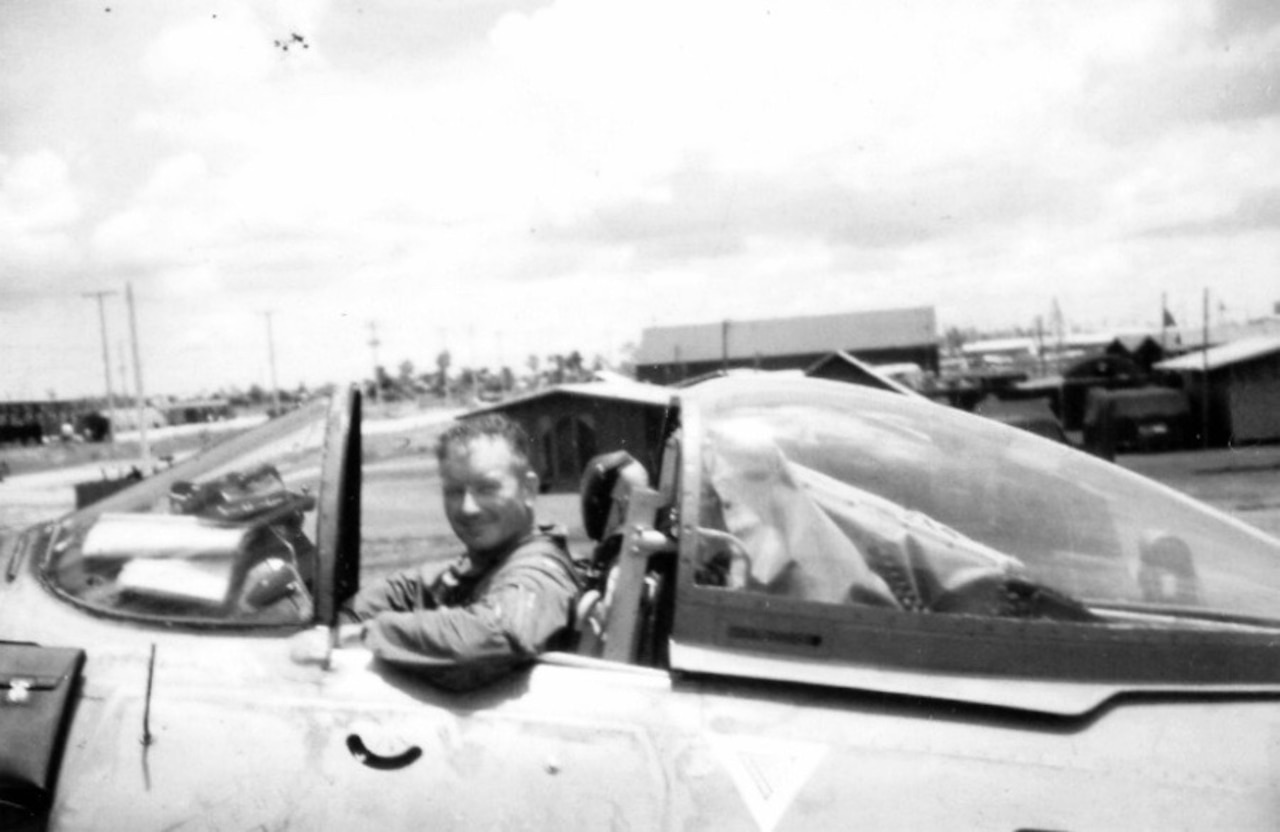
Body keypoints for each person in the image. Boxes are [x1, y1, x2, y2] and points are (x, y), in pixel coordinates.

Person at [333, 414, 581, 691]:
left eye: (487, 488)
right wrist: (336, 623)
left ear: (528, 490)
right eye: (454, 491)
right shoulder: (486, 563)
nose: (467, 508)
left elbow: (496, 632)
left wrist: (368, 634)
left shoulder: (539, 571)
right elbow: (411, 588)